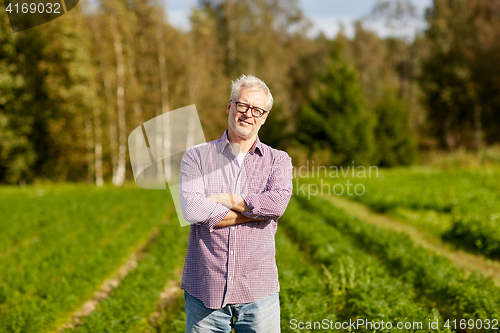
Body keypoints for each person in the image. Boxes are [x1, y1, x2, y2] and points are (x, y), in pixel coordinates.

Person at [179, 74, 293, 333]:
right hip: (205, 290)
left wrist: (228, 200)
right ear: (229, 106)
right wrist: (258, 212)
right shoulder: (196, 157)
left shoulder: (278, 160)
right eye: (242, 105)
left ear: (264, 117)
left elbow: (277, 204)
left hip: (258, 291)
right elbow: (193, 209)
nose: (247, 114)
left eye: (257, 110)